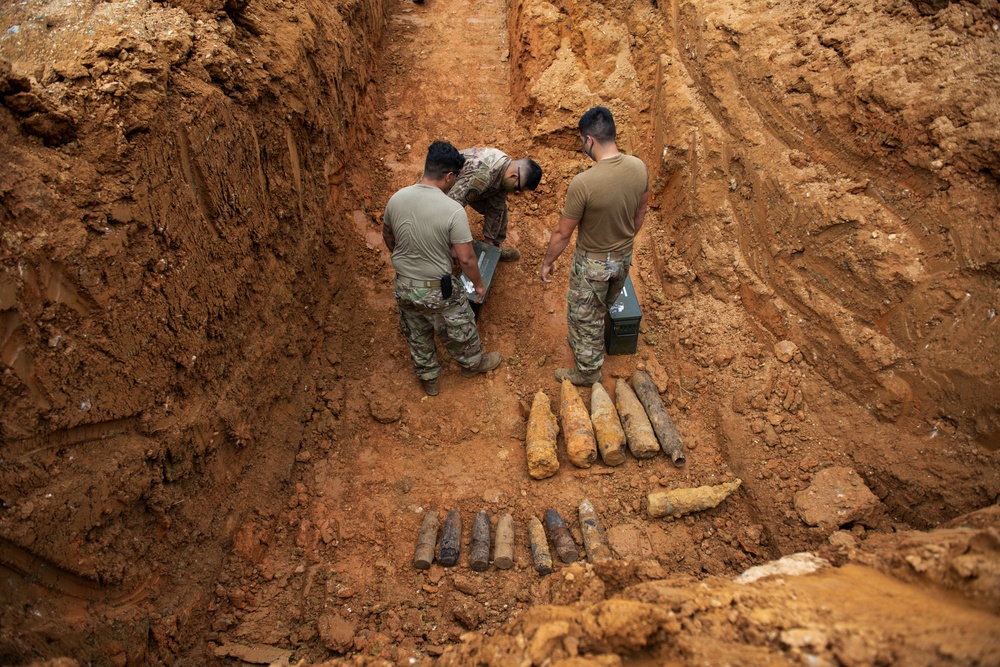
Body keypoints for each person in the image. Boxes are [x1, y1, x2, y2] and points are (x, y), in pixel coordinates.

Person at [540, 107, 649, 386]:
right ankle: (591, 340)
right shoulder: (639, 168)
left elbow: (563, 233)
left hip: (592, 265)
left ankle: (588, 373)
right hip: (623, 257)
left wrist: (547, 262)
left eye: (581, 141)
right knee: (603, 304)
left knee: (583, 317)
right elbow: (640, 213)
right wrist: (622, 239)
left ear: (589, 140)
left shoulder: (583, 184)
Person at [383, 141, 502, 396]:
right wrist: (479, 285)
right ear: (449, 176)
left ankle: (429, 378)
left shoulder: (396, 199)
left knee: (417, 331)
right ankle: (472, 363)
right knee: (461, 326)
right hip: (438, 290)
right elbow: (467, 259)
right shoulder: (453, 210)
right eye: (455, 178)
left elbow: (389, 238)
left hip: (404, 286)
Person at [448, 147, 543, 262]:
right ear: (514, 176)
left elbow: (496, 207)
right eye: (517, 188)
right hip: (444, 187)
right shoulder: (483, 176)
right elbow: (451, 207)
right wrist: (455, 244)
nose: (515, 192)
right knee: (443, 223)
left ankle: (492, 249)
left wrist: (490, 240)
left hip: (468, 185)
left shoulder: (505, 169)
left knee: (499, 208)